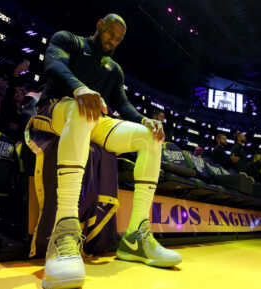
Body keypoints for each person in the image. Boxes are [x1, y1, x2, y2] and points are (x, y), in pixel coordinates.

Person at [35, 14, 181, 289]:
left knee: (151, 138)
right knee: (83, 109)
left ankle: (135, 237)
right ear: (99, 24)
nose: (113, 40)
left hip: (92, 119)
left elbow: (123, 105)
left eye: (119, 38)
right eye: (110, 33)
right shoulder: (68, 40)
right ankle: (64, 232)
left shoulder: (114, 68)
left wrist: (144, 120)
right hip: (54, 109)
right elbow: (53, 65)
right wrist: (80, 88)